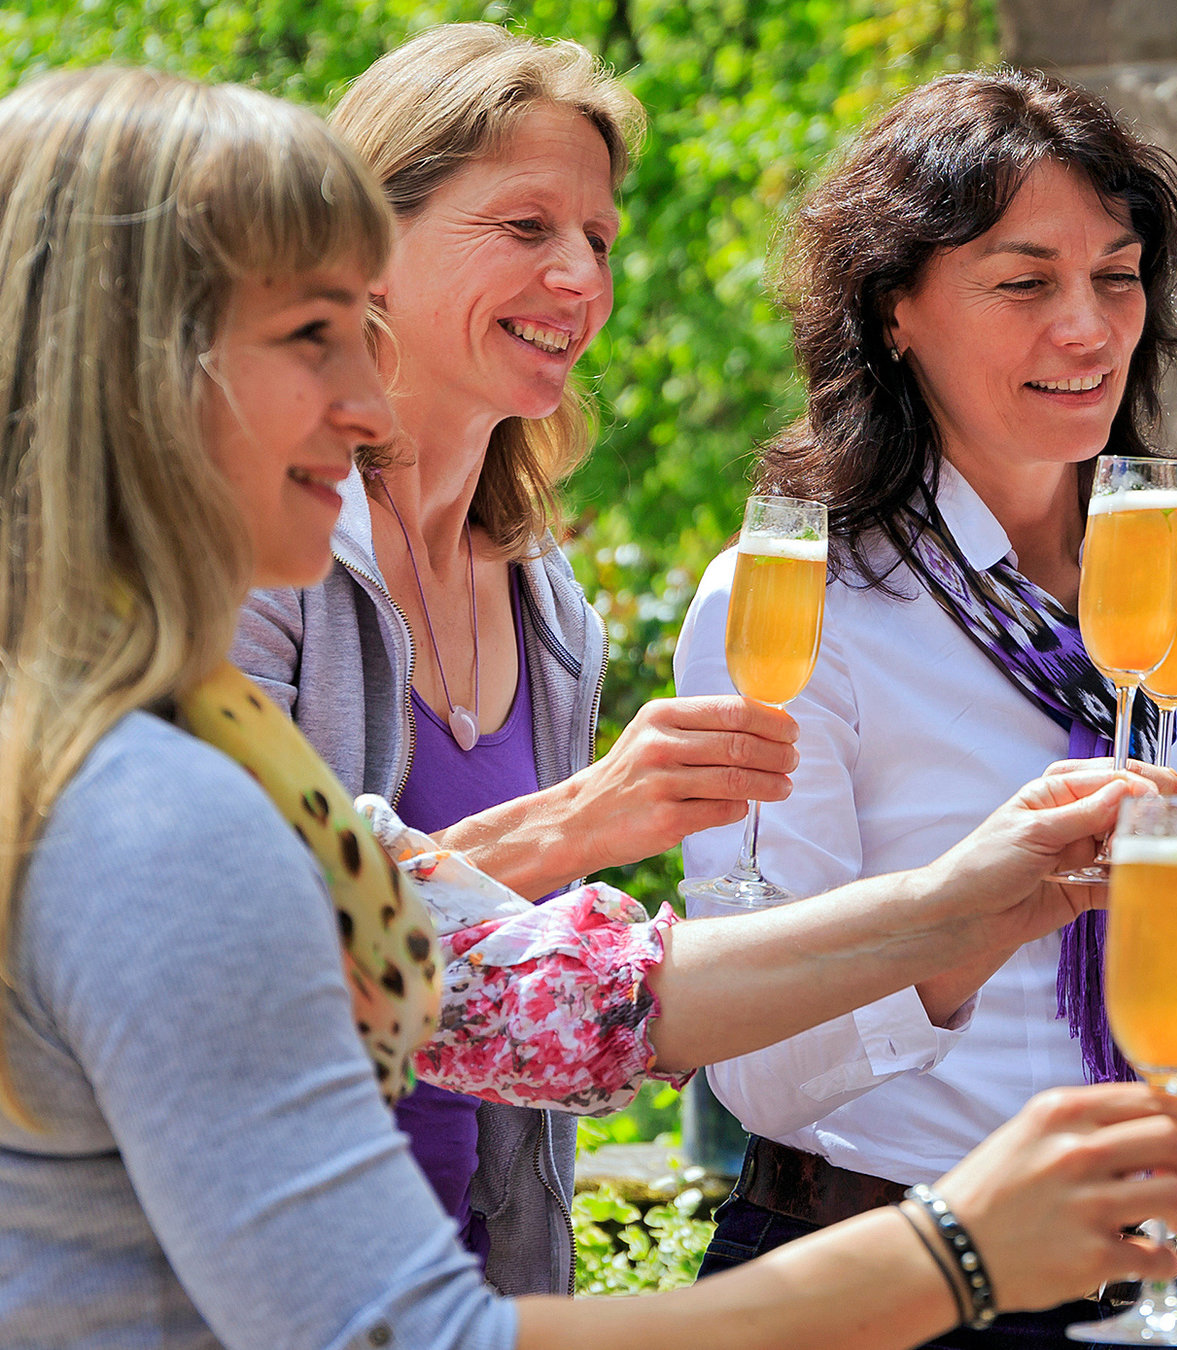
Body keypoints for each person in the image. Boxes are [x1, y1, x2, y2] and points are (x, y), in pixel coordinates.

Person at [0, 64, 1177, 1350]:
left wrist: (972, 900)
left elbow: (561, 995)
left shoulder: (208, 764)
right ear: (125, 375)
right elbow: (408, 1335)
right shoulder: (152, 813)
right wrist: (950, 1255)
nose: (364, 402)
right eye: (312, 334)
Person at [234, 23, 870, 1291]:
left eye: (599, 240)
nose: (580, 276)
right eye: (526, 228)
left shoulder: (550, 605)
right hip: (271, 1274)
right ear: (365, 243)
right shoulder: (260, 557)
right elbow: (244, 955)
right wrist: (584, 820)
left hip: (484, 1282)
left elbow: (507, 987)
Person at [675, 68, 1177, 1349]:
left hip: (1144, 1300)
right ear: (894, 311)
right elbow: (751, 1068)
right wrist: (965, 928)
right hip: (867, 1281)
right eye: (1024, 284)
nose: (1087, 328)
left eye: (1117, 278)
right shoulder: (805, 604)